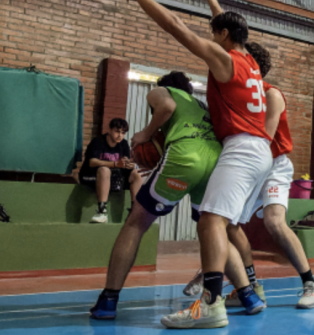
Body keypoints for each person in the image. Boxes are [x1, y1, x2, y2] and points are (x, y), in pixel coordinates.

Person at [108, 0, 273, 329]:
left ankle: (212, 304)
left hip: (241, 149)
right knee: (218, 224)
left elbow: (175, 26)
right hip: (256, 151)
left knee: (211, 222)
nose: (211, 40)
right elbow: (230, 28)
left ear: (224, 35)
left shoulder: (224, 59)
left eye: (215, 35)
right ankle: (245, 292)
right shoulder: (250, 62)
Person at [181, 0, 314, 310]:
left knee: (273, 221)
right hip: (252, 160)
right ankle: (250, 286)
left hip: (272, 162)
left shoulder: (271, 95)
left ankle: (311, 283)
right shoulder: (245, 77)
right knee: (227, 224)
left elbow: (265, 138)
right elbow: (230, 34)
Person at [90, 72, 227, 319]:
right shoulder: (201, 105)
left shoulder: (161, 91)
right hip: (215, 160)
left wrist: (145, 133)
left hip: (186, 157)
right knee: (213, 228)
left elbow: (165, 106)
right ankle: (248, 292)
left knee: (135, 223)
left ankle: (108, 300)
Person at [78, 118, 143, 223]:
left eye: (123, 133)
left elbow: (125, 162)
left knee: (137, 174)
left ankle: (134, 213)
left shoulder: (123, 144)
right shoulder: (98, 142)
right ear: (109, 130)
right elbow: (92, 162)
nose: (120, 135)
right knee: (104, 170)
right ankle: (101, 211)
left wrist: (129, 164)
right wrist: (115, 164)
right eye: (117, 131)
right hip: (92, 176)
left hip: (115, 178)